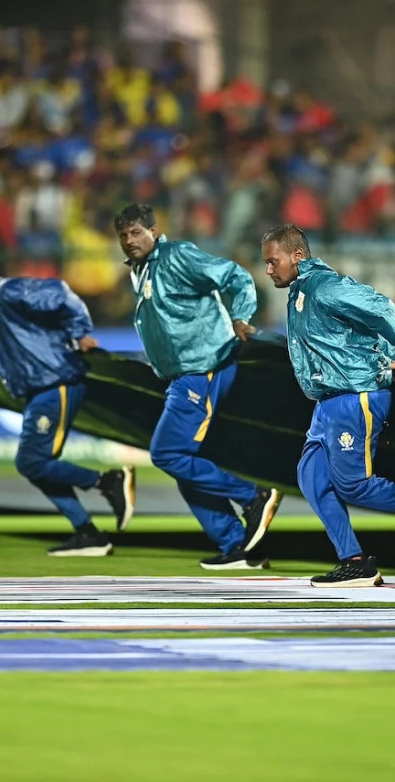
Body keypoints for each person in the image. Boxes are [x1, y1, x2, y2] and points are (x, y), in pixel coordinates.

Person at [262, 224, 395, 588]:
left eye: (272, 260)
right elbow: (346, 337)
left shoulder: (325, 286)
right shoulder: (302, 291)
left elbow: (378, 307)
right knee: (312, 478)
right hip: (328, 402)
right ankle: (355, 561)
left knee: (354, 485)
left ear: (297, 256)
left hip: (354, 397)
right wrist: (378, 354)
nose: (268, 269)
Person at [115, 203, 282, 570]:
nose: (129, 241)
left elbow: (235, 276)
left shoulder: (176, 257)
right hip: (185, 373)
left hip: (203, 368)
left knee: (167, 454)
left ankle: (254, 496)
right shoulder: (141, 270)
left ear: (154, 231)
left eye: (136, 233)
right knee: (183, 465)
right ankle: (240, 547)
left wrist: (241, 315)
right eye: (123, 236)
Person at [0, 251, 134, 556]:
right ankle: (88, 532)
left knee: (31, 462)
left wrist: (80, 332)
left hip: (55, 382)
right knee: (35, 466)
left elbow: (60, 294)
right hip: (43, 387)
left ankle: (107, 481)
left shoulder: (7, 292)